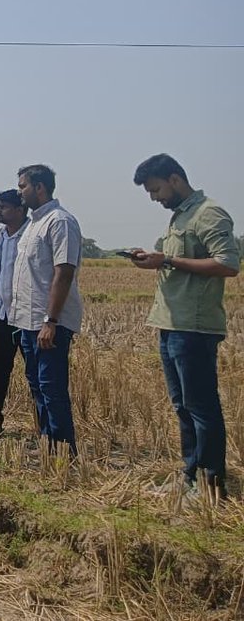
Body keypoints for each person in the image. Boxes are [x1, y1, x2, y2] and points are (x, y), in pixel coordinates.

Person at [128, 154, 239, 500]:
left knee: (201, 407)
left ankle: (210, 485)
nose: (154, 198)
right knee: (183, 406)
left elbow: (228, 264)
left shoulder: (209, 213)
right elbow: (174, 262)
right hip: (171, 323)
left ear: (175, 179)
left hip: (194, 326)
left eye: (156, 190)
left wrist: (169, 260)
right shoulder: (180, 215)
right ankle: (191, 477)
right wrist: (155, 260)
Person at [10, 164, 82, 457]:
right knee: (37, 386)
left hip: (49, 322)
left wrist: (51, 321)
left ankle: (64, 451)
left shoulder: (60, 222)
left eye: (23, 186)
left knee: (52, 388)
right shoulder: (32, 225)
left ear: (39, 187)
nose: (19, 192)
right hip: (28, 321)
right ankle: (47, 443)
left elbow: (63, 273)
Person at [0, 189, 29, 437]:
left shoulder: (33, 235)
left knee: (35, 374)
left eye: (4, 207)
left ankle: (45, 427)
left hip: (27, 315)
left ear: (20, 210)